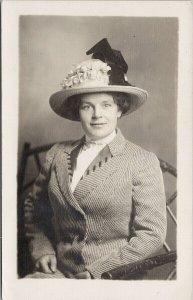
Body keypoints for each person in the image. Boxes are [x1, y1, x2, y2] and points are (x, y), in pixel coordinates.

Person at [24, 38, 167, 279]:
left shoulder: (141, 161)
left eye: (106, 105)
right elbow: (34, 210)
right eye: (87, 106)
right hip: (59, 273)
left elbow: (151, 235)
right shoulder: (57, 155)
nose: (97, 115)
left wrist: (98, 271)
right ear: (76, 110)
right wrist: (42, 250)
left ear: (120, 109)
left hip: (113, 277)